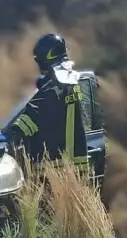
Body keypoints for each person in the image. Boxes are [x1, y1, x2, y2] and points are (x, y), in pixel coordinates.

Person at [6, 32, 88, 169]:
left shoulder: (56, 85)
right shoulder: (71, 80)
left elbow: (36, 111)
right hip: (77, 160)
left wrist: (12, 133)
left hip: (57, 163)